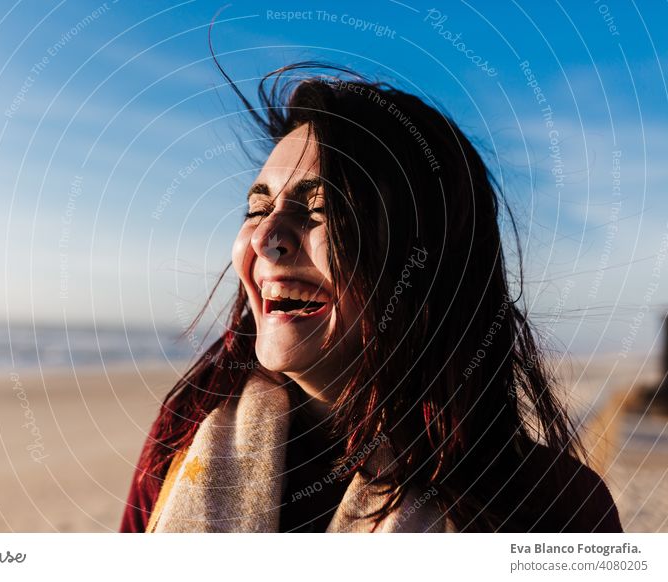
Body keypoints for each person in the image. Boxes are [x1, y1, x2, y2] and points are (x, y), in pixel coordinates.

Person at [120, 62, 622, 533]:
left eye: (323, 207)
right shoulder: (183, 439)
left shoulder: (554, 508)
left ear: (422, 254)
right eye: (257, 209)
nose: (265, 237)